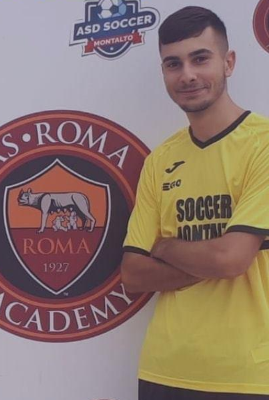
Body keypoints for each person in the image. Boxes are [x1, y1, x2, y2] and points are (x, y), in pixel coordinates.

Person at [121, 6, 269, 400]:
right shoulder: (160, 160)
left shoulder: (263, 145)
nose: (187, 74)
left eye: (200, 58)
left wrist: (166, 247)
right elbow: (133, 275)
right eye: (173, 64)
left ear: (228, 62)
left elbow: (230, 259)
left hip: (247, 375)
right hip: (165, 370)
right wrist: (213, 259)